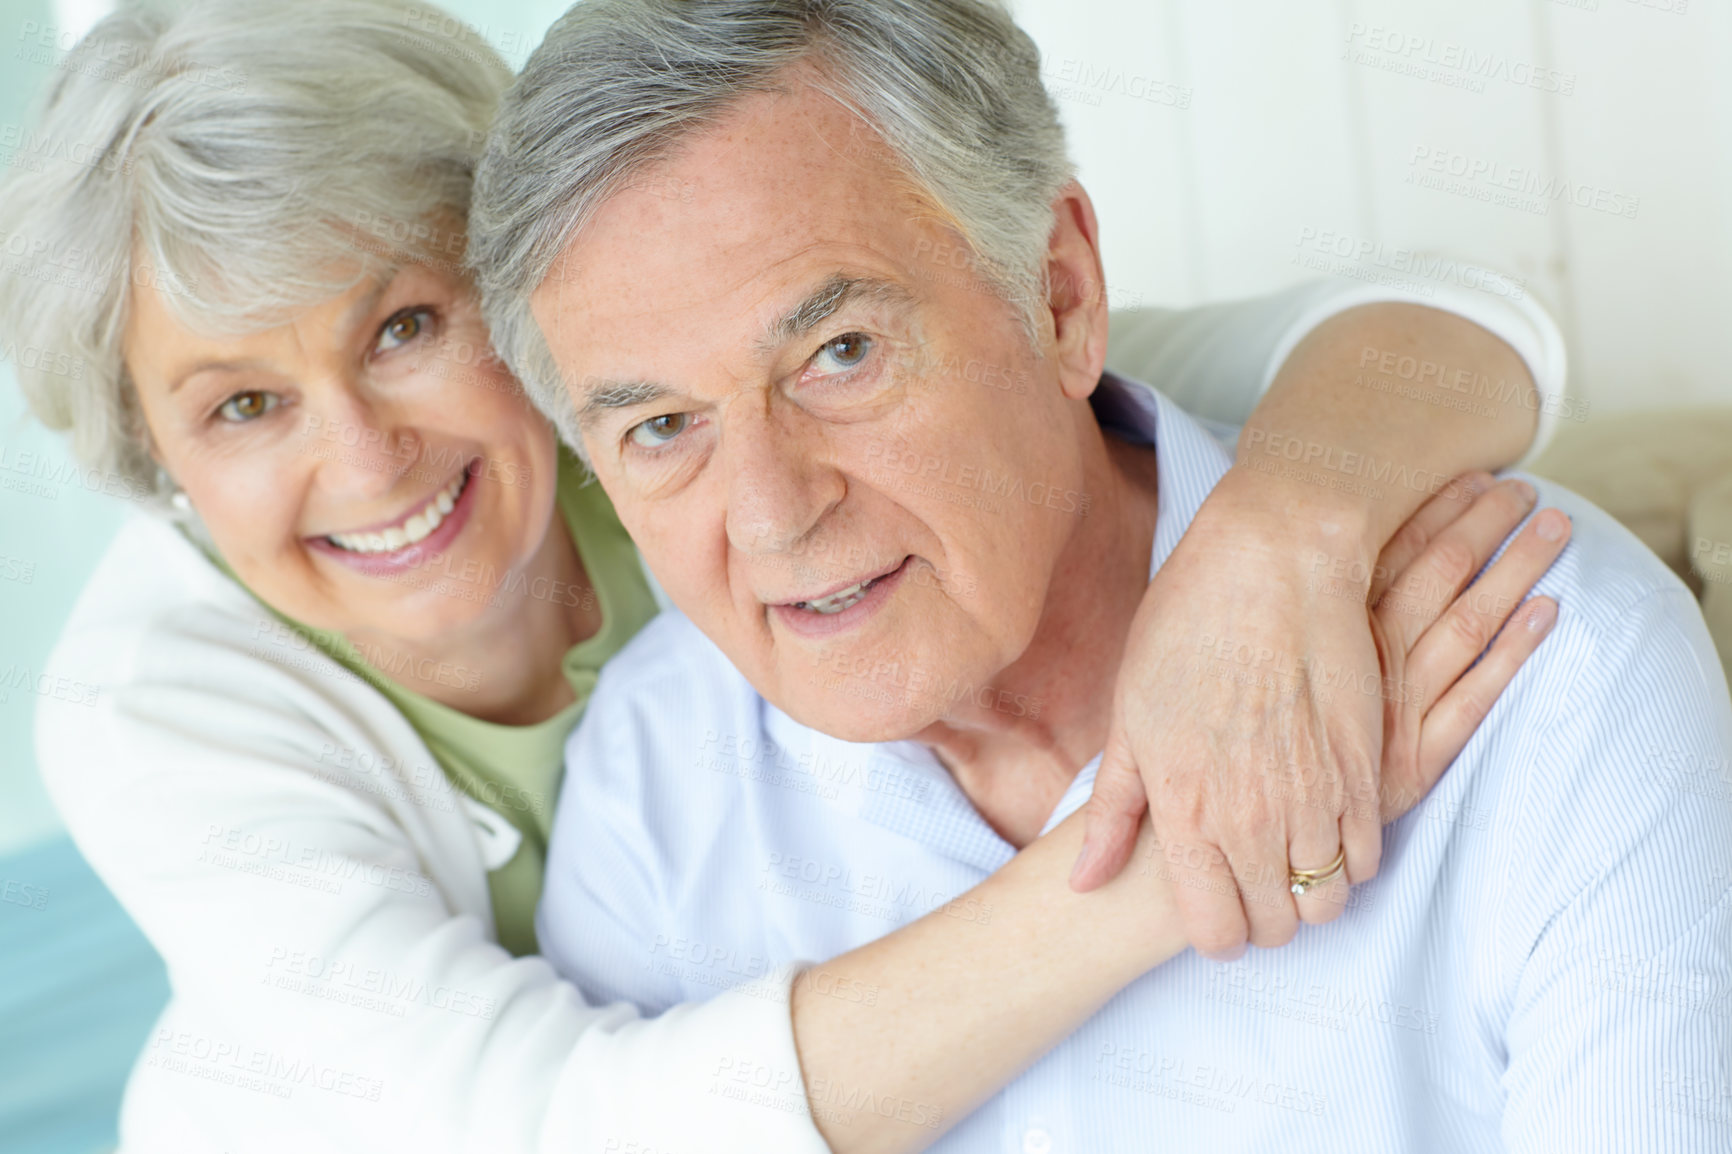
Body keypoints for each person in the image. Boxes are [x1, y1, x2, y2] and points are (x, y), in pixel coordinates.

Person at [2, 1, 1563, 1151]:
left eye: (403, 325)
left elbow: (1430, 325)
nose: (363, 459)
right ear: (158, 462)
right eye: (242, 406)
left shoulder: (683, 425)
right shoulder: (154, 711)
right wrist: (1171, 847)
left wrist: (1279, 537)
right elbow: (548, 1129)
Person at [465, 0, 1732, 1149]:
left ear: (1060, 295)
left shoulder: (1535, 657)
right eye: (659, 429)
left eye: (840, 352)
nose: (773, 516)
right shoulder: (651, 775)